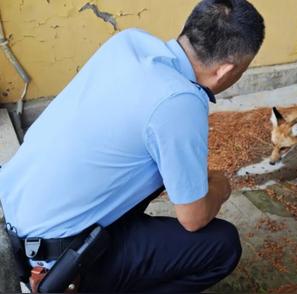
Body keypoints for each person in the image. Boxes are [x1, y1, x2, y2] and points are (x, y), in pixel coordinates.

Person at [0, 0, 265, 292]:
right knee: (222, 246)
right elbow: (194, 218)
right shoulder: (180, 101)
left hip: (14, 211)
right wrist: (220, 185)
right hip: (55, 260)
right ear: (226, 71)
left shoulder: (129, 43)